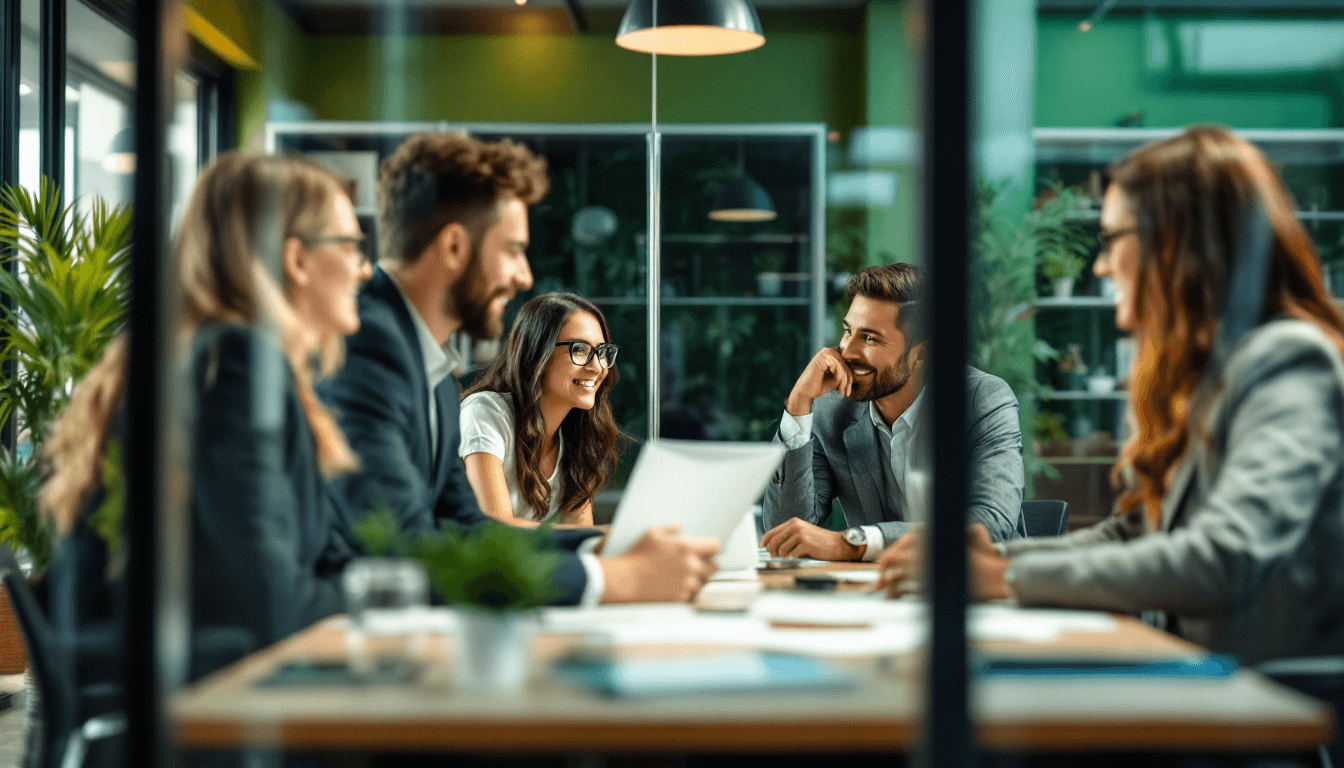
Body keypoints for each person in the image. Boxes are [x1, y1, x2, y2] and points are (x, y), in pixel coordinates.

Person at [883, 125, 1344, 664]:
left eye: (1111, 240)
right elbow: (1133, 535)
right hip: (1196, 688)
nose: (1100, 266)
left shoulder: (1289, 360)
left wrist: (1004, 575)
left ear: (1178, 240)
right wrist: (996, 556)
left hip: (1264, 712)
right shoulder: (1208, 375)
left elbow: (1227, 558)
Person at [320, 132, 717, 605]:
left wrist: (599, 544)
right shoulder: (363, 347)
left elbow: (465, 525)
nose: (524, 276)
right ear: (453, 247)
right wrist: (615, 579)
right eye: (512, 250)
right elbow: (404, 548)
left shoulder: (429, 367)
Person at [41, 152, 373, 677]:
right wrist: (388, 604)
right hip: (197, 723)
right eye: (351, 245)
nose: (364, 267)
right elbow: (269, 606)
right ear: (298, 260)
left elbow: (330, 558)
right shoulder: (235, 365)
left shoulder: (215, 359)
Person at [761, 263, 1025, 562]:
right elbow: (784, 533)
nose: (846, 352)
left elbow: (989, 527)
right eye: (848, 331)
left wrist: (856, 543)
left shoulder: (982, 400)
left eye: (870, 338)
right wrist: (798, 406)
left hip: (976, 592)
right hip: (876, 593)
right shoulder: (831, 409)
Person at [459, 292, 620, 529]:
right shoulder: (485, 411)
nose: (597, 366)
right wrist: (599, 534)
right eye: (580, 350)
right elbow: (494, 526)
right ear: (538, 354)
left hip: (520, 562)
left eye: (602, 352)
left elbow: (580, 532)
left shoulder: (580, 435)